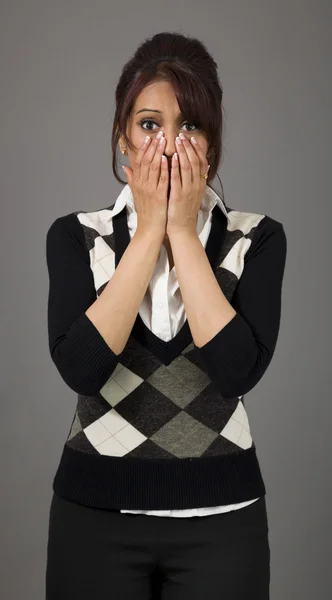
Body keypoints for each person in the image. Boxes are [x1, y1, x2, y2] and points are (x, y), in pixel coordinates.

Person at [45, 31, 287, 600]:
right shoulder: (77, 236)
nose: (170, 145)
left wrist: (180, 230)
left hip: (225, 523)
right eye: (150, 125)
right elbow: (82, 369)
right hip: (93, 517)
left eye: (190, 126)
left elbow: (235, 373)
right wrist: (149, 229)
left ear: (214, 144)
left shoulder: (257, 238)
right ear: (122, 137)